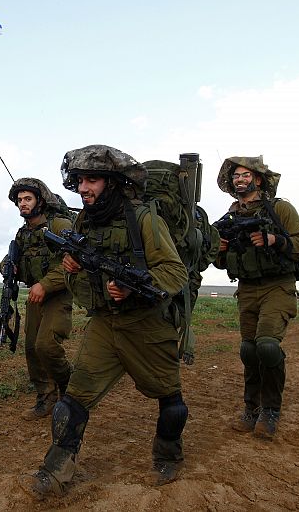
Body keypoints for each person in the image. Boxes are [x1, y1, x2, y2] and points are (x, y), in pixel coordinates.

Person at [22, 145, 189, 498]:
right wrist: (72, 267)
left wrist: (133, 287)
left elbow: (175, 272)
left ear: (112, 183)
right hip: (104, 324)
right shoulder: (85, 220)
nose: (83, 188)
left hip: (147, 325)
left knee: (171, 402)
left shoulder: (144, 219)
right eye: (80, 180)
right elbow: (80, 272)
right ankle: (55, 471)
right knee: (72, 401)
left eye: (92, 180)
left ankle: (168, 454)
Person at [213, 156, 299, 440]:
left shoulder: (280, 208)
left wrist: (274, 240)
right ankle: (251, 407)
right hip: (247, 288)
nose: (240, 180)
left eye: (245, 175)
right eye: (236, 176)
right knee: (249, 350)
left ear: (258, 180)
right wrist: (219, 249)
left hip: (278, 285)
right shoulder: (229, 218)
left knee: (267, 346)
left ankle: (270, 410)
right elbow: (219, 262)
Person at [7, 178, 73, 421]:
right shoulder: (23, 233)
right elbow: (12, 257)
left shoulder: (60, 225)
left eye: (28, 199)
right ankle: (46, 397)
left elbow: (73, 262)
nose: (22, 204)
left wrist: (45, 285)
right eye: (19, 200)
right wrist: (8, 267)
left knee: (46, 346)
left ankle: (69, 386)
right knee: (32, 349)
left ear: (40, 201)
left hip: (57, 294)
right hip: (35, 296)